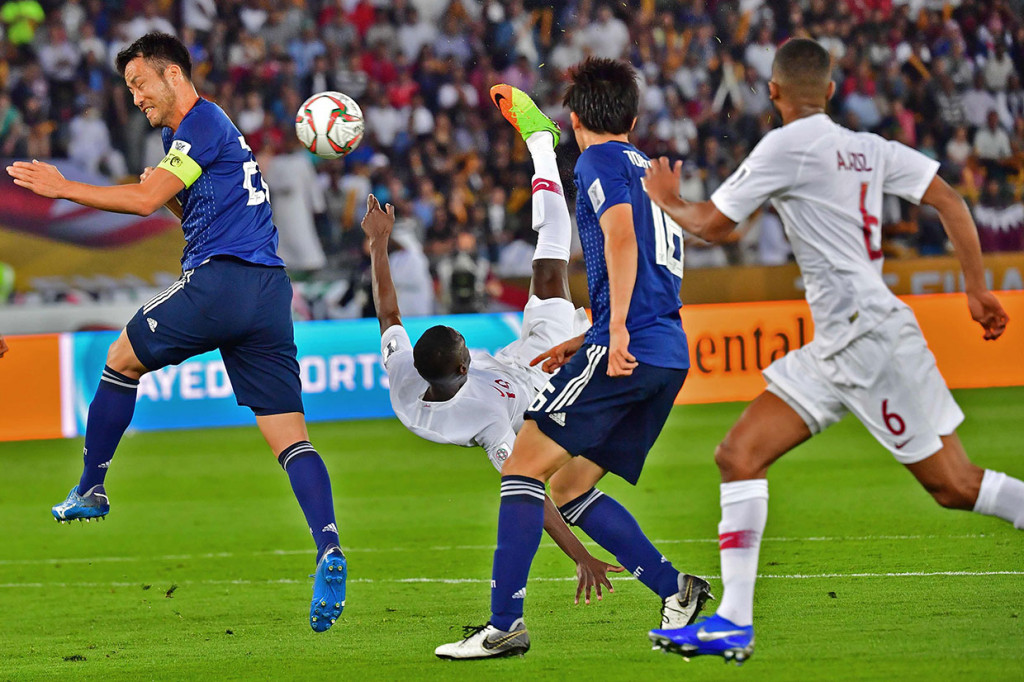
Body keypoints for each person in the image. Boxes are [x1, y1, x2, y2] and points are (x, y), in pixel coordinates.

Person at [643, 38, 1019, 664]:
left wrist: (666, 199)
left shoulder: (785, 145)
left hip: (868, 339)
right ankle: (734, 621)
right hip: (841, 341)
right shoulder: (868, 148)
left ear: (773, 92)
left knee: (953, 485)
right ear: (834, 90)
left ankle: (735, 619)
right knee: (738, 455)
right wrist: (976, 291)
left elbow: (714, 225)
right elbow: (950, 200)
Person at [5, 33, 347, 634]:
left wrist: (63, 188)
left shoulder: (202, 122)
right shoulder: (201, 134)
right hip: (269, 294)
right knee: (290, 437)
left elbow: (142, 201)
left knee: (120, 360)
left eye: (141, 83)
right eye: (129, 87)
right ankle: (328, 547)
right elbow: (192, 211)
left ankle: (91, 486)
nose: (135, 97)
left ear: (173, 76)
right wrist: (169, 199)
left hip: (222, 283)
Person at [432, 68, 710, 660]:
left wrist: (606, 332)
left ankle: (504, 623)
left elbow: (622, 240)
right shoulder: (645, 168)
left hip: (627, 343)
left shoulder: (597, 163)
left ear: (577, 122)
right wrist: (584, 343)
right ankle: (675, 590)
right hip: (666, 352)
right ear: (633, 121)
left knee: (522, 469)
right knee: (569, 486)